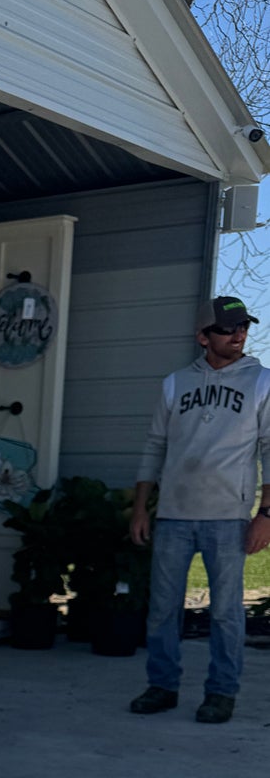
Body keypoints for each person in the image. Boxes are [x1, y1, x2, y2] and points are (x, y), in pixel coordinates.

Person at [129, 294, 270, 723]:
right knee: (162, 609)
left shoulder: (262, 382)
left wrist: (266, 514)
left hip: (228, 516)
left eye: (243, 327)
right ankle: (162, 685)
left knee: (226, 612)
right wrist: (140, 508)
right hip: (173, 514)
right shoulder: (175, 384)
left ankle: (221, 693)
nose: (239, 335)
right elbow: (154, 446)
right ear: (203, 337)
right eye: (228, 329)